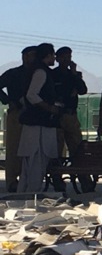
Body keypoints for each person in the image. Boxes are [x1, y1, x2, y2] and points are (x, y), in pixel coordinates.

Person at [16, 43, 60, 193]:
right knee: (36, 161)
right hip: (39, 125)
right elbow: (31, 95)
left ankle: (25, 193)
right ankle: (31, 194)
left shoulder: (33, 71)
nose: (54, 58)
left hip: (35, 123)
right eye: (53, 55)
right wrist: (49, 107)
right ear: (47, 56)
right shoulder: (41, 72)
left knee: (30, 164)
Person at [0, 46, 36, 191]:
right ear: (25, 56)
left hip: (34, 115)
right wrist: (8, 100)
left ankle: (27, 179)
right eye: (32, 55)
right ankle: (11, 181)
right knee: (13, 147)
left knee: (31, 149)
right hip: (17, 113)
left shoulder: (38, 74)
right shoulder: (13, 74)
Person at [50, 46, 88, 158]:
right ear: (58, 59)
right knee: (56, 148)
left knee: (76, 146)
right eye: (64, 57)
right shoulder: (52, 75)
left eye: (69, 57)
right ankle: (56, 174)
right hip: (57, 115)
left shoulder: (74, 75)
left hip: (71, 114)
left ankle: (80, 173)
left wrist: (74, 74)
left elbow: (83, 90)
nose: (67, 60)